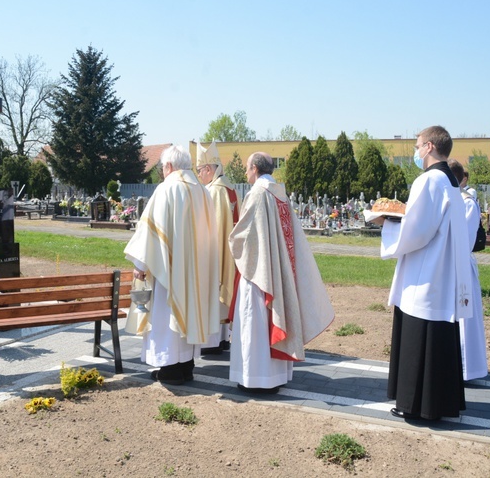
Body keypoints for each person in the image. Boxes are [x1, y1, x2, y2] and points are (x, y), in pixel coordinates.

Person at [369, 126, 472, 420]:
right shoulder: (450, 181)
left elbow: (417, 231)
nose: (415, 152)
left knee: (420, 334)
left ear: (428, 146)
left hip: (425, 272)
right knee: (436, 335)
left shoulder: (429, 180)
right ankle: (437, 403)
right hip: (441, 270)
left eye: (416, 146)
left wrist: (385, 224)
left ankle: (415, 405)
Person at [228, 152, 335, 394]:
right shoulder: (279, 192)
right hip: (278, 268)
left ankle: (255, 378)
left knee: (254, 320)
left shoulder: (257, 193)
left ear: (255, 168)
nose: (246, 173)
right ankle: (274, 378)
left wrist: (229, 238)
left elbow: (243, 235)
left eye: (247, 168)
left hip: (260, 272)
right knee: (268, 318)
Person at [124, 145, 220, 385]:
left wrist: (141, 264)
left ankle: (170, 369)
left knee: (166, 317)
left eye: (162, 168)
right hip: (196, 271)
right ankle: (186, 366)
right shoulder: (202, 190)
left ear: (168, 166)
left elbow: (150, 233)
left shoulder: (166, 189)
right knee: (189, 315)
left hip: (170, 271)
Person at [196, 141, 241, 355]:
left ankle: (211, 342)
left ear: (208, 169)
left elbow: (208, 227)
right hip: (231, 250)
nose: (198, 176)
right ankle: (223, 339)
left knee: (213, 289)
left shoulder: (213, 191)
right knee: (225, 287)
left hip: (216, 250)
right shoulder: (230, 187)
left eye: (199, 171)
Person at [448, 159, 488, 381]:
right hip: (446, 267)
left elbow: (464, 239)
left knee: (464, 319)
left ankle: (466, 368)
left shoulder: (467, 202)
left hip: (460, 265)